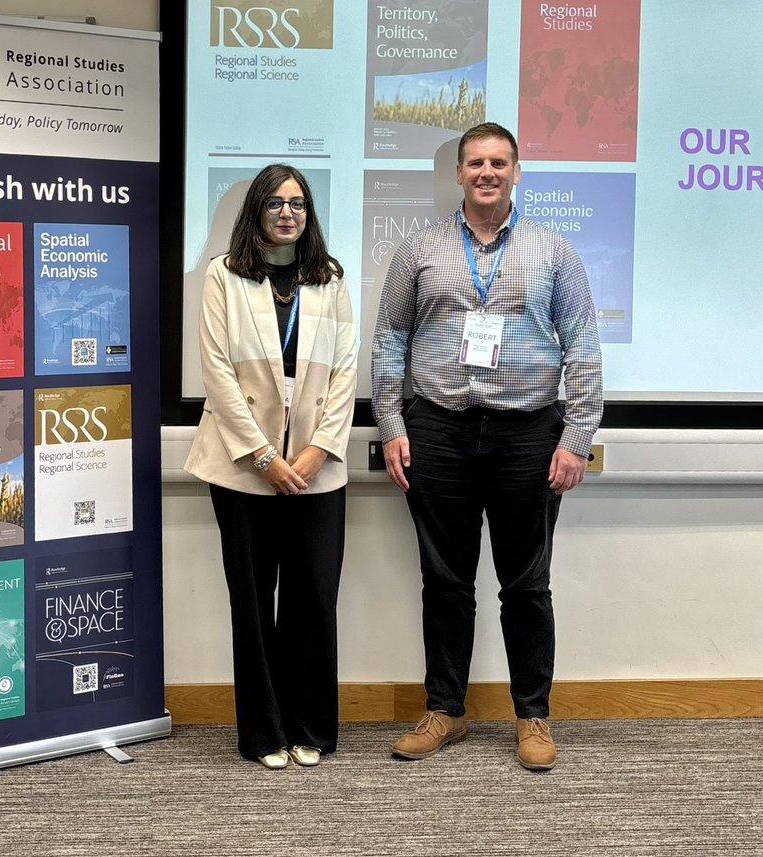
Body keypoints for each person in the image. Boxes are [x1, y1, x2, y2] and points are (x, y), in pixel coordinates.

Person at [372, 122, 603, 771]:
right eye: (476, 162)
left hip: (528, 433)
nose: (487, 173)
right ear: (459, 173)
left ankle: (532, 716)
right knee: (445, 581)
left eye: (499, 162)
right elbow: (390, 339)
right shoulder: (419, 249)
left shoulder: (553, 251)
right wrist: (390, 423)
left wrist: (577, 437)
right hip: (439, 429)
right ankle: (445, 710)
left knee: (526, 585)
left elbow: (583, 347)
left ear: (516, 172)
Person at [185, 164, 357, 769]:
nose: (288, 213)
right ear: (256, 211)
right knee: (253, 604)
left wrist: (317, 451)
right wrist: (264, 456)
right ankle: (263, 733)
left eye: (298, 203)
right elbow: (216, 374)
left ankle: (310, 727)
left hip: (317, 469)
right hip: (242, 469)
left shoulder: (329, 277)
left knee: (314, 598)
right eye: (276, 203)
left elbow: (345, 371)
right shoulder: (223, 275)